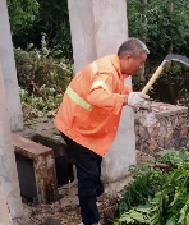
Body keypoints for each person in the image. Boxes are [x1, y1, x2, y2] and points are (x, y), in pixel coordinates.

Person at [54, 38, 150, 225]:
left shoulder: (116, 70)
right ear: (128, 58)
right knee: (88, 176)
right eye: (141, 63)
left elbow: (120, 89)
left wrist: (135, 99)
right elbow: (96, 95)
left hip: (86, 129)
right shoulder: (106, 71)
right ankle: (90, 221)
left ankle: (94, 196)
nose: (141, 68)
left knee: (94, 169)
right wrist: (126, 100)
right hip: (76, 130)